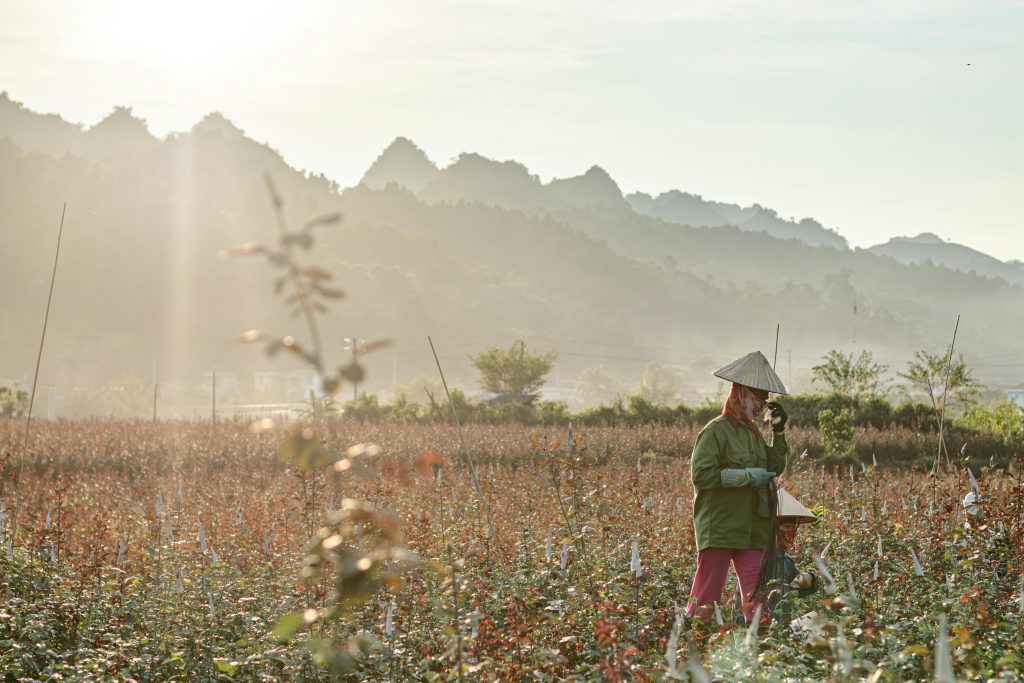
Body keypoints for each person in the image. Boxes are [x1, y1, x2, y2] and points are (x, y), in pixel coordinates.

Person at [686, 351, 789, 623]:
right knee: (707, 599)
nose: (760, 408)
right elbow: (702, 475)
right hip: (720, 526)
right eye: (757, 401)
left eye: (764, 404)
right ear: (741, 394)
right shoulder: (715, 432)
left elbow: (774, 466)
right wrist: (746, 476)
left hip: (752, 528)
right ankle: (693, 645)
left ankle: (761, 648)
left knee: (757, 599)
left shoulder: (753, 435)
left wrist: (778, 432)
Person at [733, 488, 820, 624]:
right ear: (772, 529)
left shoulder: (785, 560)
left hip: (780, 627)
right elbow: (752, 595)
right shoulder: (757, 558)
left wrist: (810, 579)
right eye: (787, 527)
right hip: (757, 626)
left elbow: (796, 587)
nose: (791, 532)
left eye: (793, 528)